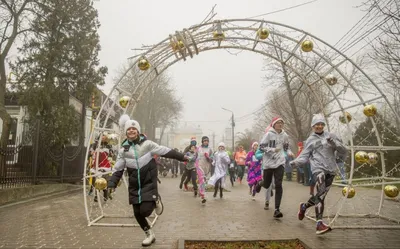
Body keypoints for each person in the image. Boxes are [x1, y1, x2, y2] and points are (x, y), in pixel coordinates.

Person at [107, 115, 188, 247]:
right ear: (126, 132)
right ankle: (149, 234)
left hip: (148, 182)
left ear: (138, 131)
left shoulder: (148, 145)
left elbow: (165, 151)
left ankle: (156, 200)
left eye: (134, 129)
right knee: (137, 214)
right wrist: (111, 184)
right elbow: (118, 169)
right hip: (134, 186)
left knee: (145, 211)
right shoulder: (123, 150)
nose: (131, 131)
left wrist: (182, 157)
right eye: (129, 129)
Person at [291, 114, 348, 235]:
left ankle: (304, 207)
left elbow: (344, 150)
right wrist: (295, 162)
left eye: (322, 124)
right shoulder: (310, 140)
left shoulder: (331, 136)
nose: (319, 126)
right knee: (321, 192)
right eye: (317, 124)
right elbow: (305, 156)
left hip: (331, 169)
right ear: (313, 126)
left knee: (320, 195)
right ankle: (319, 224)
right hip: (318, 169)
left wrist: (334, 144)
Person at [256, 117, 292, 218]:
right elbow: (261, 147)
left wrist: (289, 152)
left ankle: (277, 209)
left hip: (280, 162)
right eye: (278, 123)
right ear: (274, 124)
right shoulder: (268, 134)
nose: (280, 124)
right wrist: (272, 149)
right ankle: (260, 183)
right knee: (267, 184)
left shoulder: (285, 135)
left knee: (278, 184)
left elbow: (286, 147)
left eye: (282, 123)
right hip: (268, 163)